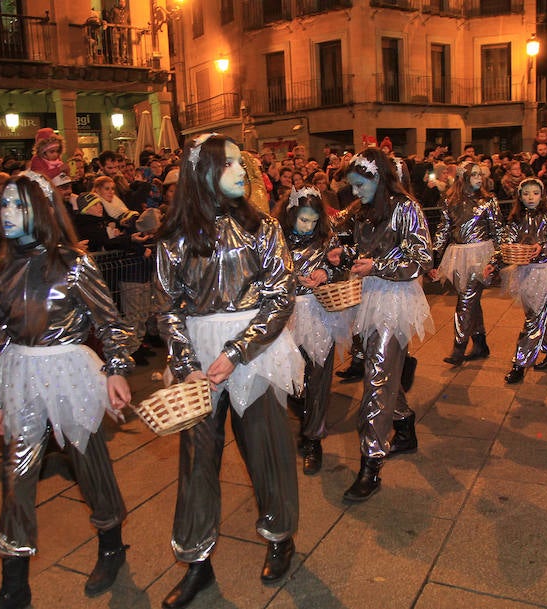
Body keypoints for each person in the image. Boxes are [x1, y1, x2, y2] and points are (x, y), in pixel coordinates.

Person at [154, 134, 303, 608]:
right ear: (203, 173)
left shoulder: (264, 228)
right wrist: (185, 362)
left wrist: (236, 352)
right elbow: (167, 307)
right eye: (231, 164)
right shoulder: (175, 237)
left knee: (266, 446)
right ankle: (197, 561)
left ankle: (280, 535)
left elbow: (281, 296)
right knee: (197, 461)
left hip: (254, 352)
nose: (244, 170)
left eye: (243, 162)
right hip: (197, 363)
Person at [0, 175, 135, 608]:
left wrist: (117, 370)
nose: (6, 212)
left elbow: (111, 321)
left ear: (41, 211)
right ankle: (14, 583)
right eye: (3, 204)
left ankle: (111, 543)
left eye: (17, 204)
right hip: (21, 377)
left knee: (90, 464)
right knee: (15, 475)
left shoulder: (74, 263)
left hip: (69, 371)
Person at [340, 147, 434, 502]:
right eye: (352, 186)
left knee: (376, 377)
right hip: (366, 298)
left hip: (395, 300)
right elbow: (361, 252)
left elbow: (422, 257)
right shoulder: (362, 211)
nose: (354, 192)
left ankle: (371, 463)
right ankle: (405, 426)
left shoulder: (406, 207)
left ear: (377, 178)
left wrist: (376, 267)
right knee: (383, 372)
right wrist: (343, 256)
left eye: (359, 184)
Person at [278, 186, 350, 475]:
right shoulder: (276, 239)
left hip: (320, 312)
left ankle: (313, 439)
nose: (307, 226)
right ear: (291, 214)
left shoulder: (326, 238)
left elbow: (343, 266)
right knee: (291, 377)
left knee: (319, 377)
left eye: (313, 220)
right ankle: (302, 413)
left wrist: (327, 273)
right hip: (286, 316)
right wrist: (293, 278)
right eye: (302, 220)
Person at [484, 178, 547, 383]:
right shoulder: (517, 218)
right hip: (524, 274)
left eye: (535, 193)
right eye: (526, 194)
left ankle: (520, 363)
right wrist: (494, 263)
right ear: (520, 196)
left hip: (545, 274)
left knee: (533, 321)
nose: (530, 197)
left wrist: (543, 248)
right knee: (535, 317)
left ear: (541, 195)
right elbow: (506, 244)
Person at [430, 162, 504, 366]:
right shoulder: (450, 201)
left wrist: (496, 260)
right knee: (471, 301)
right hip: (459, 255)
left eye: (480, 174)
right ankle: (480, 344)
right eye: (474, 175)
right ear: (463, 178)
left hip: (481, 255)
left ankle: (458, 347)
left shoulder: (488, 201)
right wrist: (434, 257)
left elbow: (498, 231)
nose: (479, 178)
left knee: (465, 300)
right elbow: (443, 229)